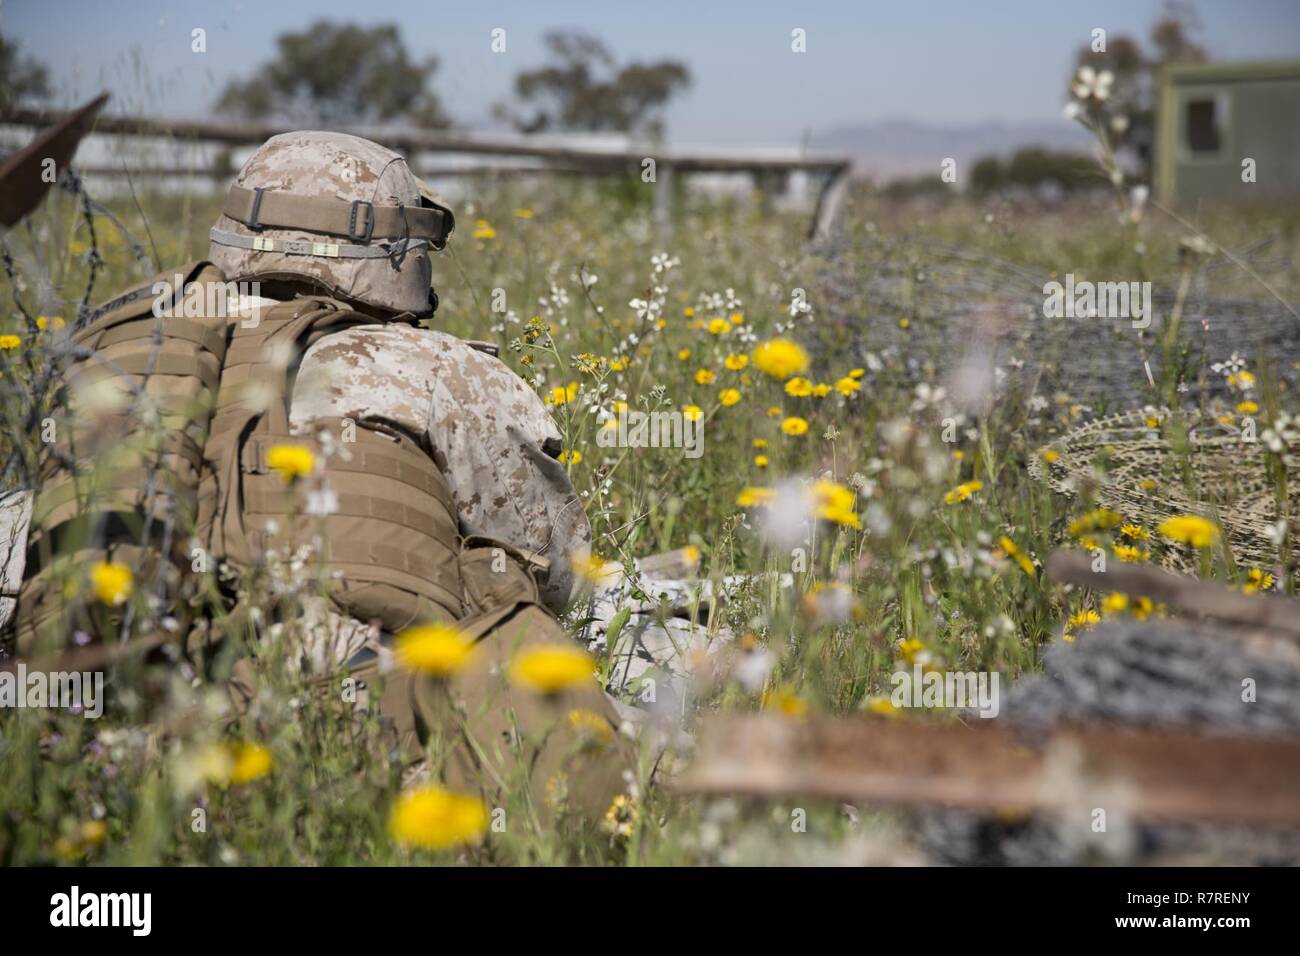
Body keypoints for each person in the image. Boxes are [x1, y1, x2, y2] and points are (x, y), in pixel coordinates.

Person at [5, 131, 629, 816]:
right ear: (398, 249)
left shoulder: (119, 351)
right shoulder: (438, 371)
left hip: (88, 723)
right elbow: (558, 571)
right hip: (340, 722)